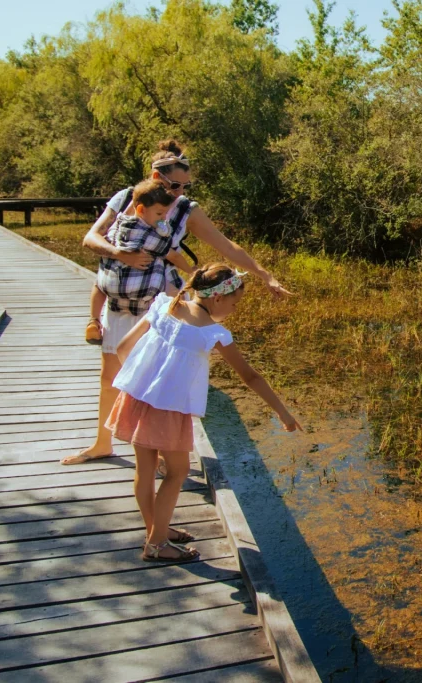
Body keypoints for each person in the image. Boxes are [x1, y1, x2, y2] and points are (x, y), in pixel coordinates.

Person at [63, 139, 291, 467]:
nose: (179, 192)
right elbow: (91, 237)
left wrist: (265, 274)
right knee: (109, 374)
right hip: (117, 300)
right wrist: (118, 253)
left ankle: (153, 450)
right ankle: (103, 444)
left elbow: (227, 246)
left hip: (155, 301)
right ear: (156, 177)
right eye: (173, 185)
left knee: (153, 376)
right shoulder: (127, 198)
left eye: (186, 185)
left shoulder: (186, 209)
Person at [108, 264, 301, 561]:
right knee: (178, 472)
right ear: (218, 299)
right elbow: (250, 377)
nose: (235, 309)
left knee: (144, 470)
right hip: (168, 409)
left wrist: (141, 382)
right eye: (235, 303)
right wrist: (284, 414)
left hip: (135, 398)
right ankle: (157, 545)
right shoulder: (212, 333)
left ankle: (155, 531)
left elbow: (123, 349)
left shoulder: (164, 306)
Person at [94, 179, 181, 319]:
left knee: (98, 281)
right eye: (160, 214)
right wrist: (192, 271)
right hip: (143, 295)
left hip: (112, 292)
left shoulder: (117, 227)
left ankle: (93, 320)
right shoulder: (150, 235)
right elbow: (174, 256)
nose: (163, 218)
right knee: (175, 287)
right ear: (141, 209)